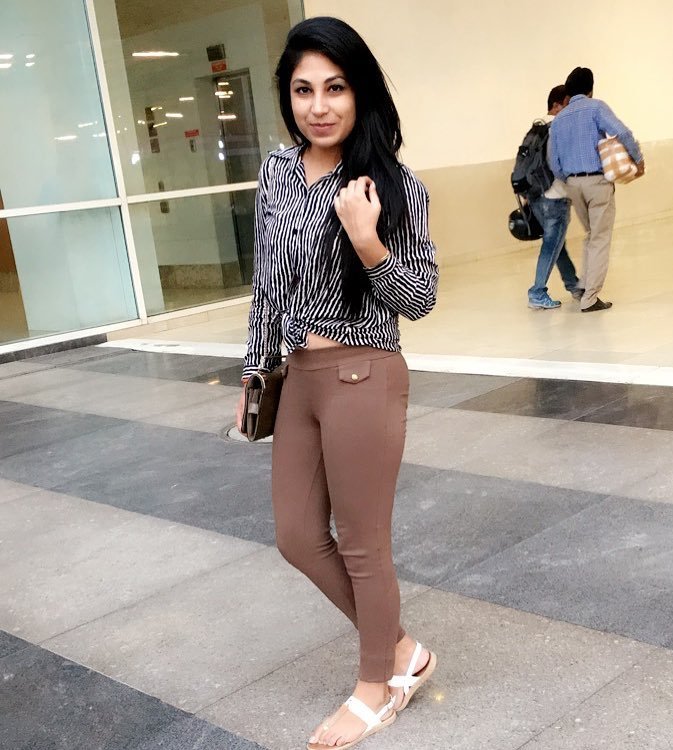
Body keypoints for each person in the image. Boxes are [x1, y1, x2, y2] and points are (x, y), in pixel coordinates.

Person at [235, 17, 439, 750]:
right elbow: (266, 281)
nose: (319, 106)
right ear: (287, 96)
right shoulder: (278, 171)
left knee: (361, 543)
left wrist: (367, 240)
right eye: (303, 90)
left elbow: (420, 298)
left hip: (364, 373)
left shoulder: (395, 186)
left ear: (361, 93)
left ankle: (375, 689)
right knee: (295, 535)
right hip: (299, 376)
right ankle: (402, 650)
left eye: (336, 88)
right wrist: (255, 369)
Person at [549, 67, 645, 312]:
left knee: (591, 234)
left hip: (573, 183)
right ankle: (590, 298)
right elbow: (622, 132)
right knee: (600, 238)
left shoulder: (558, 120)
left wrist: (569, 179)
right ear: (590, 89)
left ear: (569, 92)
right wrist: (638, 159)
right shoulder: (596, 107)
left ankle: (583, 285)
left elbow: (554, 161)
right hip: (597, 182)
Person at [527, 84, 582, 309]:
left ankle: (573, 285)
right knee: (552, 244)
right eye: (568, 104)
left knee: (557, 243)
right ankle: (537, 292)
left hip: (536, 196)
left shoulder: (537, 128)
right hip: (555, 196)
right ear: (557, 105)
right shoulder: (558, 128)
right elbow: (558, 164)